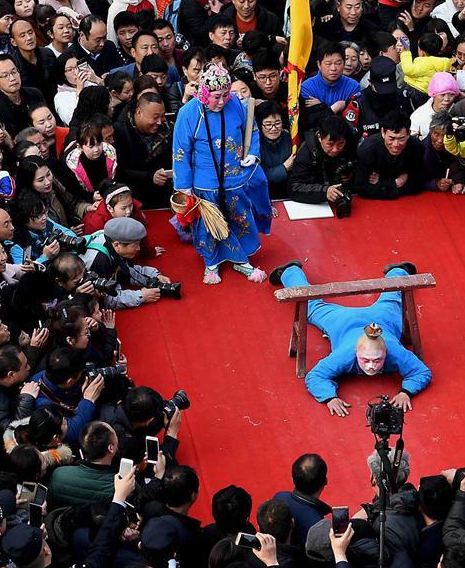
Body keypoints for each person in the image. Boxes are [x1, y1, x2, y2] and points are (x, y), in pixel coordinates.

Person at [268, 261, 431, 416]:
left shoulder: (395, 351)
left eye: (377, 360)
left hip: (381, 318)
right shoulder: (344, 355)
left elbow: (422, 372)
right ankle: (290, 272)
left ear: (386, 352)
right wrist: (329, 397)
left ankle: (398, 270)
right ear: (356, 352)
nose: (371, 366)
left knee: (393, 299)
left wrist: (406, 392)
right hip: (343, 322)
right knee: (312, 308)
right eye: (366, 360)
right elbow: (315, 376)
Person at [172, 62, 271, 286]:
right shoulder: (188, 113)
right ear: (204, 93)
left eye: (226, 95)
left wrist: (253, 154)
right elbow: (180, 151)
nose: (222, 101)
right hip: (204, 181)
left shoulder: (235, 103)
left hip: (235, 175)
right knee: (208, 223)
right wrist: (184, 187)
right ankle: (211, 262)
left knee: (240, 216)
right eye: (216, 96)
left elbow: (251, 128)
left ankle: (241, 258)